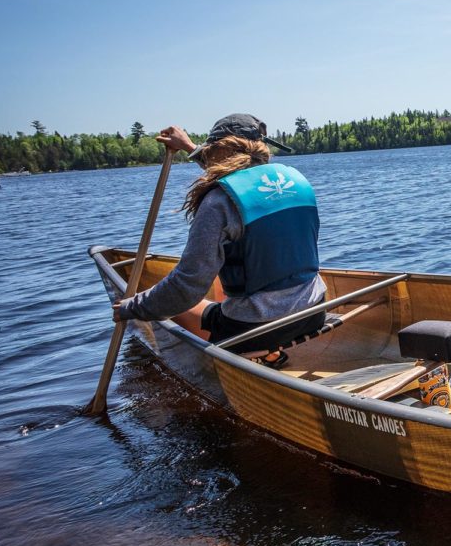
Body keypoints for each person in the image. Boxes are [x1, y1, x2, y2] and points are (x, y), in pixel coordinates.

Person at [113, 113, 325, 366]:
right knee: (225, 281)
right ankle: (270, 353)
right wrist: (188, 146)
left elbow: (185, 288)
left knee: (173, 303)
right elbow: (241, 181)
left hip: (255, 327)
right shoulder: (295, 182)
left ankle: (258, 351)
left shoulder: (217, 203)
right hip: (314, 310)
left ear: (216, 151)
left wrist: (132, 307)